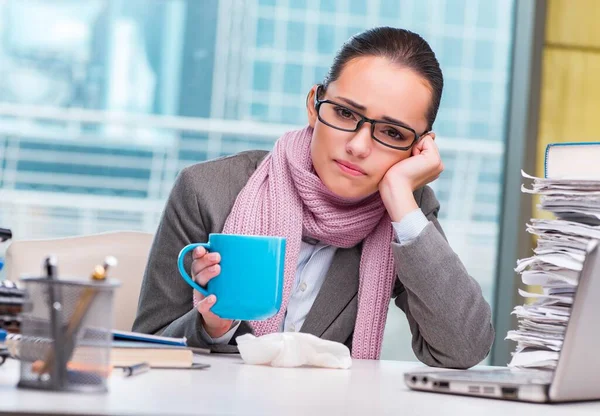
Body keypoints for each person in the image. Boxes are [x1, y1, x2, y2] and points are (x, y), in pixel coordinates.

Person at [133, 27, 494, 368]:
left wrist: (401, 201)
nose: (357, 146)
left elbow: (462, 349)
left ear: (419, 147)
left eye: (392, 133)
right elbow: (144, 347)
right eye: (345, 113)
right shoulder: (207, 190)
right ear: (313, 105)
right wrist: (212, 324)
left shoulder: (405, 214)